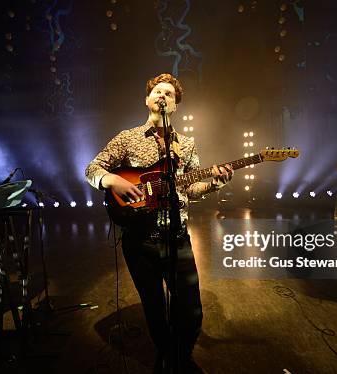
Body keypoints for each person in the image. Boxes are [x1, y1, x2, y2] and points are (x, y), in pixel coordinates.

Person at [86, 73, 233, 372]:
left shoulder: (186, 145)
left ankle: (180, 356)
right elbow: (92, 168)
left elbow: (189, 188)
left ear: (176, 105)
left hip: (177, 238)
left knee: (191, 311)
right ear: (147, 100)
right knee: (154, 308)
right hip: (140, 241)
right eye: (157, 91)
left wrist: (216, 183)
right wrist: (112, 180)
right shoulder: (127, 138)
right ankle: (169, 358)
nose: (162, 96)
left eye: (169, 93)